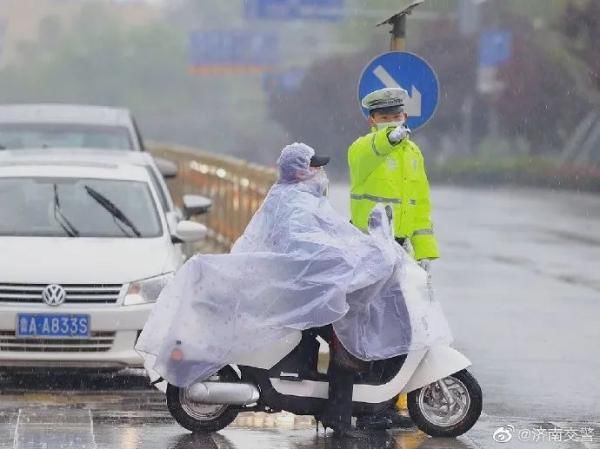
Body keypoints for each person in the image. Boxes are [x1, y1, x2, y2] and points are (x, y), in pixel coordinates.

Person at [136, 143, 450, 438]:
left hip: (299, 287)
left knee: (343, 328)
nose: (321, 173)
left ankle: (345, 406)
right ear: (301, 171)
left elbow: (330, 236)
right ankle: (338, 416)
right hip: (298, 292)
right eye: (315, 167)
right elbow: (305, 244)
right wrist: (347, 257)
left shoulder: (292, 195)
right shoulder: (296, 202)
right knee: (347, 342)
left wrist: (361, 248)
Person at [348, 87, 440, 430]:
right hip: (370, 250)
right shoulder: (363, 148)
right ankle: (368, 402)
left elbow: (420, 207)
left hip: (400, 252)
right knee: (373, 327)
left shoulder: (413, 153)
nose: (391, 124)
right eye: (384, 118)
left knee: (402, 327)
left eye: (396, 117)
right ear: (372, 120)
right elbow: (374, 149)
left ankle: (385, 400)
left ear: (406, 116)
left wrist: (426, 254)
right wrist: (389, 137)